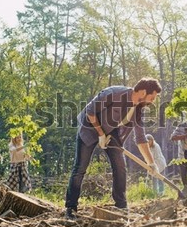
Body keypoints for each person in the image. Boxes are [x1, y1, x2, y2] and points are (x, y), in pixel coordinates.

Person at [65, 78, 162, 219]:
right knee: (80, 167)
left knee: (120, 166)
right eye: (152, 97)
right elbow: (90, 112)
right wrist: (100, 134)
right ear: (142, 92)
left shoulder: (139, 109)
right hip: (89, 127)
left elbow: (141, 138)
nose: (152, 101)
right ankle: (71, 208)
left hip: (110, 131)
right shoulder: (113, 93)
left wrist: (151, 163)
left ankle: (121, 206)